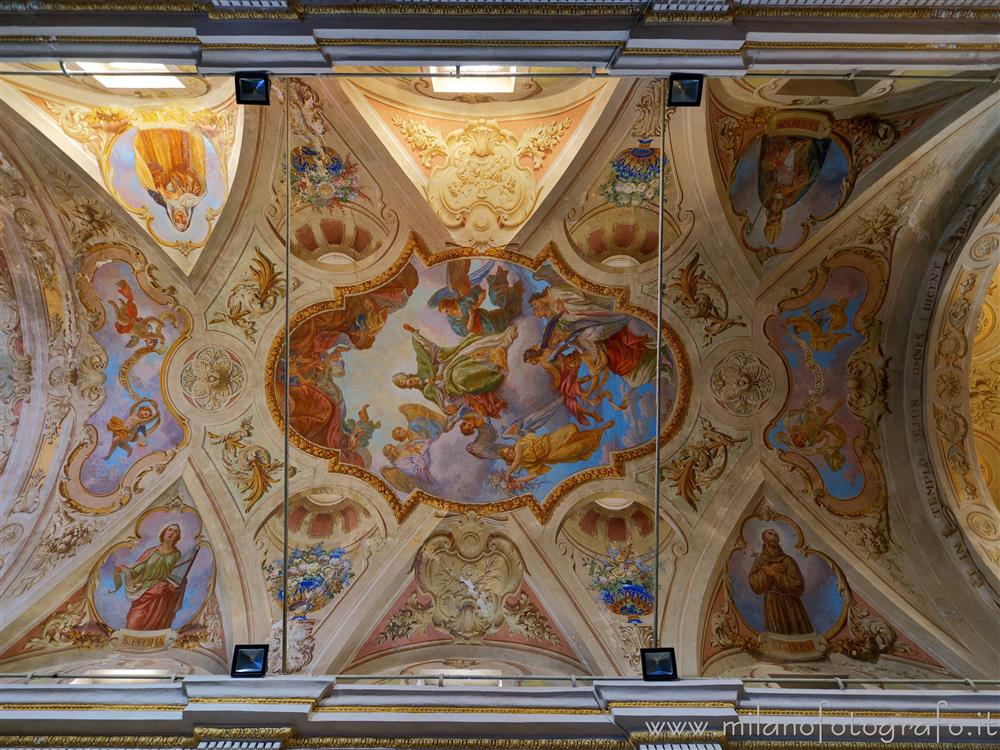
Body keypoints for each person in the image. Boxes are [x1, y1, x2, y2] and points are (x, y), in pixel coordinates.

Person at [112, 523, 191, 631]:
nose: (171, 533)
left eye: (175, 532)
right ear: (164, 533)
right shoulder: (151, 551)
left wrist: (174, 586)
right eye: (170, 530)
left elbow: (179, 575)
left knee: (156, 626)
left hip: (163, 595)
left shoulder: (176, 555)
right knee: (133, 623)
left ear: (177, 537)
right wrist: (125, 570)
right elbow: (139, 568)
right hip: (145, 591)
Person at [500, 422, 611, 488]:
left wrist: (508, 473)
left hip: (551, 441)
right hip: (552, 456)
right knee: (578, 448)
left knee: (571, 433)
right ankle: (599, 431)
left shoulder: (519, 445)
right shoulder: (525, 463)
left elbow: (517, 459)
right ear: (508, 458)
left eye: (508, 450)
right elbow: (534, 474)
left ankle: (602, 428)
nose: (510, 452)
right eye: (508, 454)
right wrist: (518, 480)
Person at [747, 529, 814, 635]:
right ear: (764, 539)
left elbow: (797, 586)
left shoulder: (787, 560)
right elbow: (755, 585)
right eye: (770, 534)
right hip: (772, 603)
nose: (774, 537)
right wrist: (766, 573)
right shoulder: (759, 561)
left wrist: (775, 574)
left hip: (791, 604)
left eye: (775, 535)